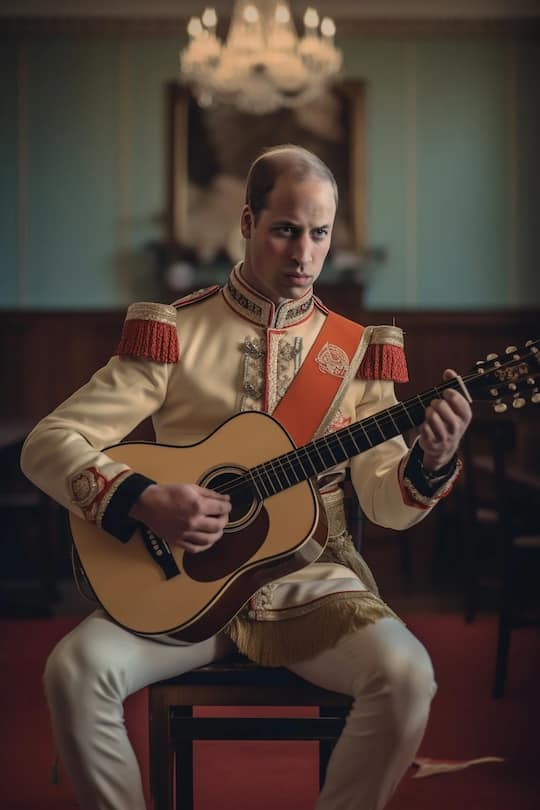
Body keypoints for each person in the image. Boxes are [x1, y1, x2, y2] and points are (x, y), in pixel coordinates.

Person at [21, 144, 472, 810]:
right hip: (180, 584)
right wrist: (143, 499)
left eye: (319, 234)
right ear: (246, 223)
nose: (303, 253)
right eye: (286, 229)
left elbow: (384, 502)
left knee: (408, 676)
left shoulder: (355, 353)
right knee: (75, 669)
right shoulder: (175, 332)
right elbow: (47, 443)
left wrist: (430, 461)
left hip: (311, 583)